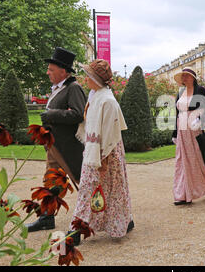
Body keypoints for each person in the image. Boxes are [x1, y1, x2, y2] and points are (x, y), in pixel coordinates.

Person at [68, 59, 133, 245]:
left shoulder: (107, 100)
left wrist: (103, 159)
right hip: (94, 150)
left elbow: (111, 133)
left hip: (107, 152)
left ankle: (79, 229)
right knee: (91, 189)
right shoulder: (95, 95)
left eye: (87, 75)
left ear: (95, 78)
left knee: (111, 189)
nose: (84, 78)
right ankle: (81, 227)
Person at [26, 47, 87, 232]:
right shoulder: (59, 88)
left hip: (68, 148)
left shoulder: (73, 88)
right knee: (51, 180)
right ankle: (46, 217)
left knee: (82, 182)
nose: (47, 72)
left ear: (63, 71)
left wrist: (52, 114)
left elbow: (79, 114)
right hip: (54, 145)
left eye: (51, 69)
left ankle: (108, 214)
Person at [171, 67, 205, 205]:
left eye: (187, 76)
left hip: (197, 130)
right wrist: (175, 132)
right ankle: (184, 194)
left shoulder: (201, 91)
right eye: (183, 76)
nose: (184, 78)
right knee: (182, 161)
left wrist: (200, 120)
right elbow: (177, 114)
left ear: (193, 78)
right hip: (183, 131)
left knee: (200, 159)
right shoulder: (181, 92)